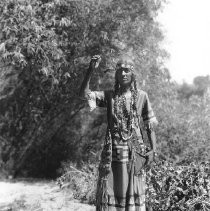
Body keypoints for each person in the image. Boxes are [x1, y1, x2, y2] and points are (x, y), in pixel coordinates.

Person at [79, 55, 158, 211]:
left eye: (127, 70)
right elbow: (84, 94)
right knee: (111, 192)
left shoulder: (142, 96)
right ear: (116, 74)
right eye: (120, 71)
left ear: (132, 74)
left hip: (136, 153)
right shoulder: (109, 96)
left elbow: (149, 125)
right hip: (113, 153)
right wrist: (90, 70)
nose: (123, 74)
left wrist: (153, 151)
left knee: (134, 195)